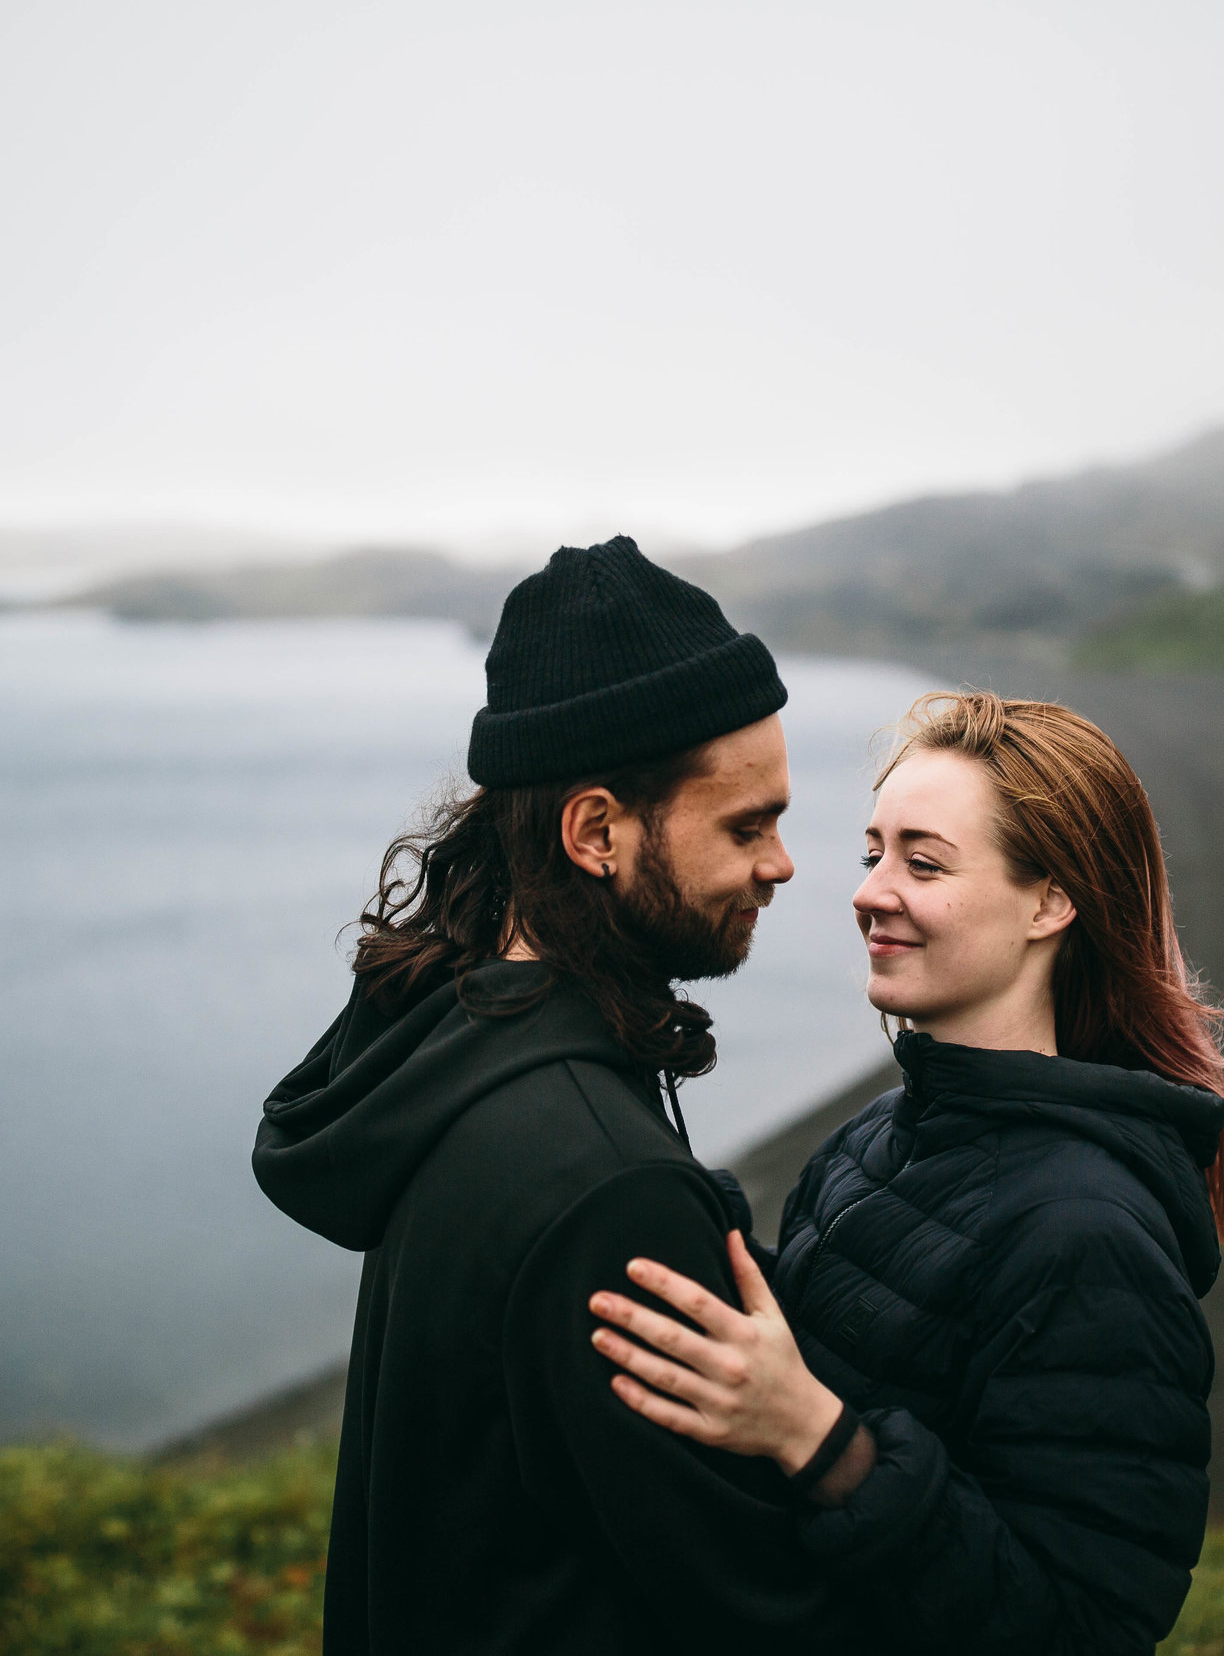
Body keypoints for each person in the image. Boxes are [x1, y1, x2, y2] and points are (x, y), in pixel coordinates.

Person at [251, 537, 856, 1654]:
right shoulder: (608, 1188)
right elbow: (751, 1612)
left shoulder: (449, 1054)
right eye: (744, 824)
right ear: (594, 831)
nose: (781, 864)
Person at [588, 690, 1224, 1656]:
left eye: (924, 861)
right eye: (874, 852)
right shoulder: (881, 1132)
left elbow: (1087, 1626)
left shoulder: (1089, 1231)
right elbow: (842, 1333)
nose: (868, 890)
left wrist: (821, 1442)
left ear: (1051, 901)